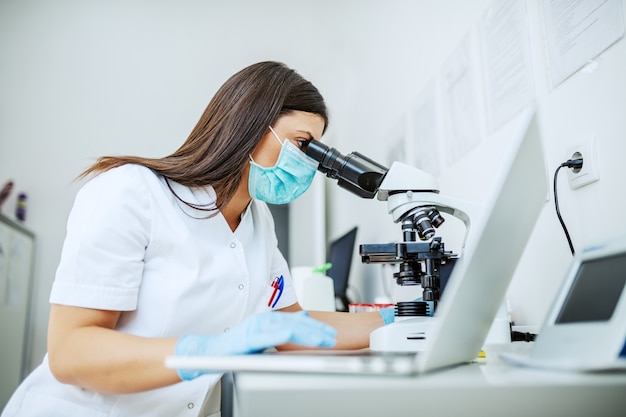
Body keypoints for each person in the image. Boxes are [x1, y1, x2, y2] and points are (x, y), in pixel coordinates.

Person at [2, 61, 395, 417]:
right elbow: (72, 353)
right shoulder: (131, 192)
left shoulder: (258, 223)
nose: (307, 164)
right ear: (251, 121)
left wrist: (398, 319)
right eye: (303, 144)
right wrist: (203, 351)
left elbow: (294, 328)